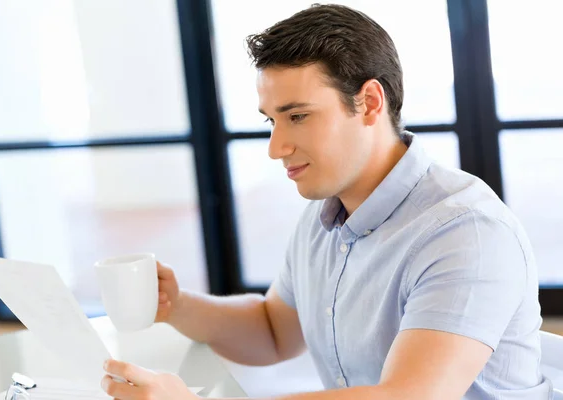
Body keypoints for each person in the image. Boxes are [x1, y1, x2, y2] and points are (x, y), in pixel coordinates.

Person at [100, 4, 551, 399]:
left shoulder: (464, 232)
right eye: (271, 121)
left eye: (298, 116)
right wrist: (176, 305)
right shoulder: (323, 218)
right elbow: (273, 331)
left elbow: (407, 398)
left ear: (370, 102)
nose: (276, 147)